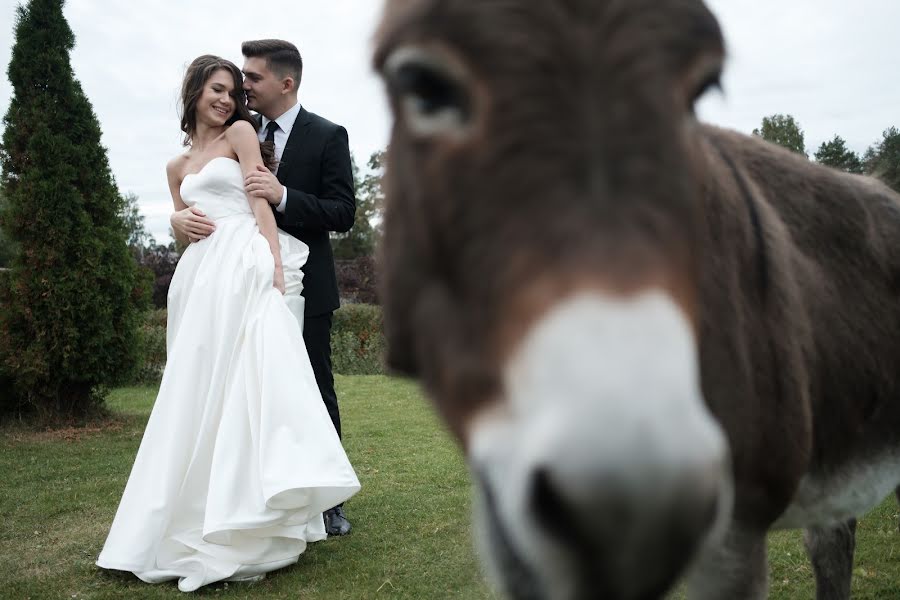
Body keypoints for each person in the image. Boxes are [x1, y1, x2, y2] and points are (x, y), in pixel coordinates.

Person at [96, 55, 360, 593]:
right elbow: (184, 226)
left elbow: (267, 201)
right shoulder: (177, 165)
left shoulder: (260, 133)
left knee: (286, 381)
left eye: (239, 88)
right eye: (220, 88)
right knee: (200, 388)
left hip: (249, 266)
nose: (231, 97)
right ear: (194, 90)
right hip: (200, 279)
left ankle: (309, 501)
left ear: (282, 83)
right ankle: (195, 505)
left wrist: (275, 267)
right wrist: (174, 220)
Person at [172, 39, 357, 536]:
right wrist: (177, 217)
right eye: (236, 82)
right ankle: (256, 493)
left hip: (305, 278)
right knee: (250, 387)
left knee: (313, 385)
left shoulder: (326, 135)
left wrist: (285, 195)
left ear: (286, 83)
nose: (242, 89)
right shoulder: (239, 131)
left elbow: (343, 213)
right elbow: (205, 188)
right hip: (238, 278)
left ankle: (327, 501)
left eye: (250, 79)